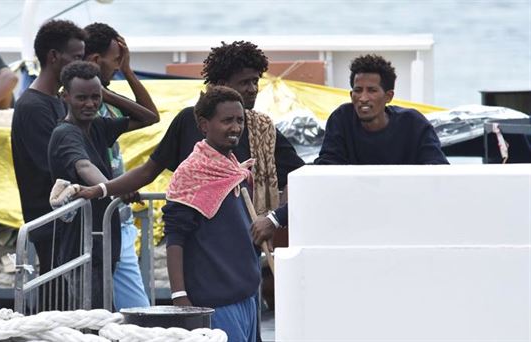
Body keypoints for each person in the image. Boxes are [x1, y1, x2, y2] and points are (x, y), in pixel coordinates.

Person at [77, 41, 304, 217]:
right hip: (198, 229)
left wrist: (277, 217)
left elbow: (298, 175)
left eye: (256, 81)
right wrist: (102, 189)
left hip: (247, 234)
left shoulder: (263, 130)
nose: (253, 89)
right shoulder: (187, 121)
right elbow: (148, 171)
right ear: (222, 83)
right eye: (245, 82)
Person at [251, 54, 449, 244]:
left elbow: (439, 174)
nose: (363, 97)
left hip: (405, 219)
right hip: (352, 221)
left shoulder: (413, 124)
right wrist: (275, 219)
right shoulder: (342, 119)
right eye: (357, 90)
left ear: (388, 96)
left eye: (371, 90)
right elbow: (324, 175)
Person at [163, 86, 260, 341]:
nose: (236, 127)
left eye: (240, 120)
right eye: (227, 120)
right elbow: (175, 237)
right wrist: (178, 295)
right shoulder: (190, 173)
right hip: (215, 302)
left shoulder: (234, 169)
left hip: (247, 295)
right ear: (204, 125)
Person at [48, 61, 136, 308]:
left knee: (104, 315)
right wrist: (115, 188)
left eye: (95, 97)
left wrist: (109, 92)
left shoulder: (97, 126)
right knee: (91, 322)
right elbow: (84, 166)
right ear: (64, 96)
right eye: (81, 97)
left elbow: (149, 116)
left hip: (104, 242)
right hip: (81, 247)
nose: (89, 104)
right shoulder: (66, 133)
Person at [83, 22, 159, 309]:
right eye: (116, 61)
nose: (118, 67)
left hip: (120, 219)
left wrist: (126, 73)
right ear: (94, 60)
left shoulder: (107, 103)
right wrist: (98, 89)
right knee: (99, 308)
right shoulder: (81, 107)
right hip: (97, 221)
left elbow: (150, 116)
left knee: (138, 310)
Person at [11, 20, 86, 276]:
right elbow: (54, 166)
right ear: (54, 56)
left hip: (69, 223)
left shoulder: (58, 101)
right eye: (76, 57)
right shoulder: (33, 107)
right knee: (57, 300)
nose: (81, 65)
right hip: (51, 225)